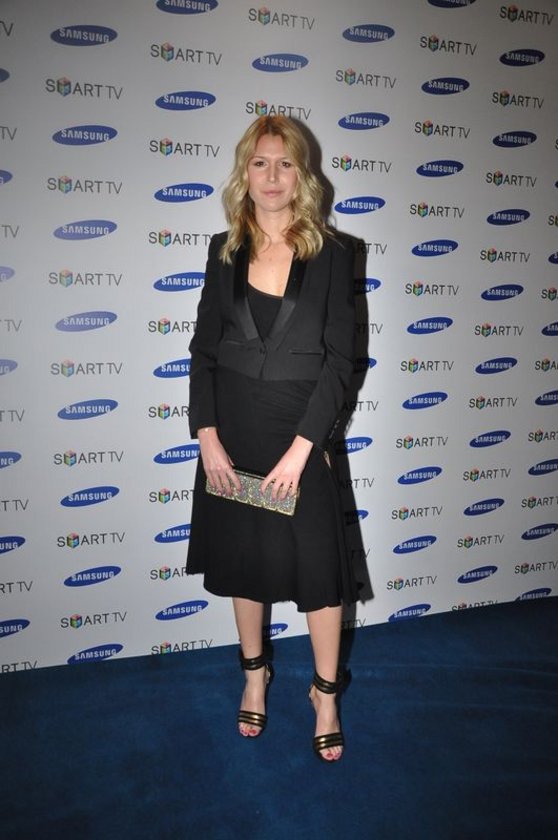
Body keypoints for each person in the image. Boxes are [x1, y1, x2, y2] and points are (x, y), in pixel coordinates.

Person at [186, 115, 358, 762]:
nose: (273, 175)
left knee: (319, 571)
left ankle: (325, 694)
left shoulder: (335, 253)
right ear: (245, 172)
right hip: (233, 433)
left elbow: (340, 362)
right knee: (245, 561)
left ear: (302, 175)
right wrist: (206, 435)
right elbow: (203, 351)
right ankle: (255, 675)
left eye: (286, 163)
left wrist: (304, 448)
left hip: (301, 436)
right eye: (261, 162)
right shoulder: (222, 249)